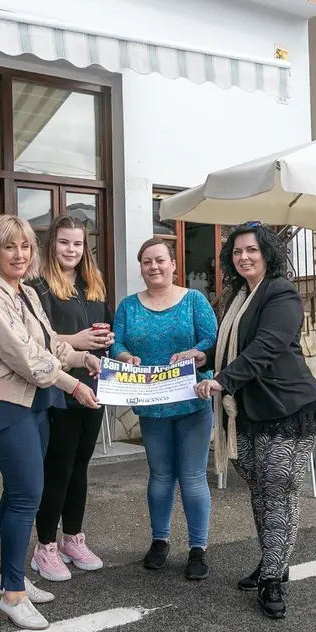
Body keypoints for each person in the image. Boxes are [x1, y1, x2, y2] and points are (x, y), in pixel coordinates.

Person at [0, 214, 101, 631]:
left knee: (22, 496)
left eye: (25, 247)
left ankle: (11, 577)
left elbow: (50, 343)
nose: (19, 255)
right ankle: (13, 596)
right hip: (5, 405)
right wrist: (73, 383)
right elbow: (24, 355)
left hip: (32, 403)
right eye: (9, 247)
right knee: (26, 496)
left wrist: (80, 357)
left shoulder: (24, 293)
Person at [195, 222, 316, 619]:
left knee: (278, 491)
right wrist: (204, 356)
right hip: (251, 411)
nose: (244, 257)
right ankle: (273, 560)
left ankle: (273, 580)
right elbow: (232, 339)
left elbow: (266, 346)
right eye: (236, 252)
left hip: (287, 408)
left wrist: (221, 380)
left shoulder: (281, 293)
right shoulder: (239, 295)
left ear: (267, 253)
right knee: (258, 487)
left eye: (251, 250)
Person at [110, 238, 218, 580]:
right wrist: (124, 356)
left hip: (191, 402)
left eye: (159, 260)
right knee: (159, 477)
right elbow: (116, 341)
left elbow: (213, 342)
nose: (153, 267)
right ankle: (160, 541)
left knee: (193, 477)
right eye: (146, 262)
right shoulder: (128, 306)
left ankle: (198, 548)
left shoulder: (194, 301)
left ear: (173, 264)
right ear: (140, 267)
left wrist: (197, 354)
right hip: (152, 406)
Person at [30, 215, 113, 581]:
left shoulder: (92, 287)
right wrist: (76, 342)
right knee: (57, 469)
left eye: (78, 244)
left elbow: (102, 329)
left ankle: (72, 538)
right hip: (58, 390)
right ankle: (44, 546)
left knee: (80, 468)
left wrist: (105, 342)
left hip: (93, 389)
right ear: (52, 245)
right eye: (65, 243)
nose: (71, 250)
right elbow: (35, 342)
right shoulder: (37, 288)